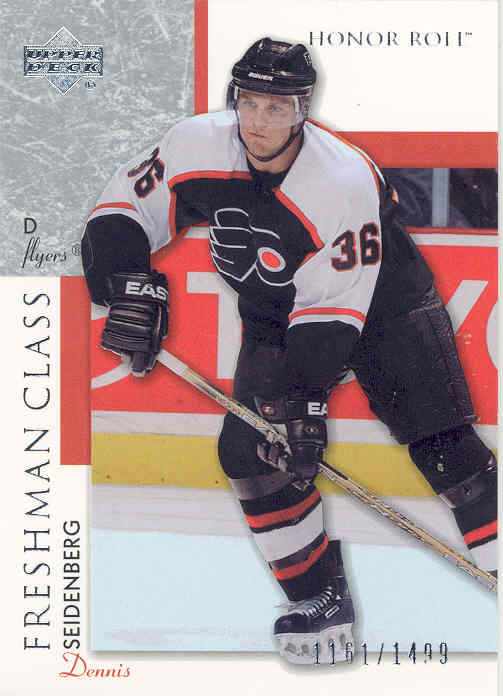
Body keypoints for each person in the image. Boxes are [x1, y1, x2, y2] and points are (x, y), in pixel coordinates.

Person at [82, 38, 497, 665]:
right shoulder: (195, 144)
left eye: (276, 108)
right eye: (249, 102)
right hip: (276, 318)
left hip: (386, 308)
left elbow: (332, 310)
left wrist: (303, 405)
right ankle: (320, 601)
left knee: (447, 454)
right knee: (250, 454)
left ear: (303, 110)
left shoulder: (340, 179)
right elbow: (122, 209)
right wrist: (126, 284)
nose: (258, 121)